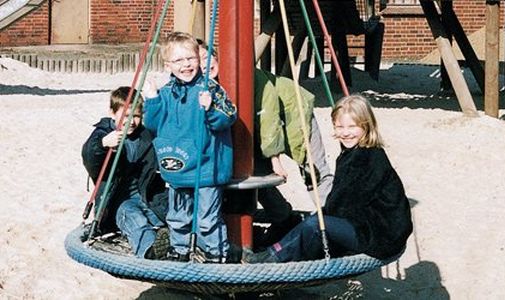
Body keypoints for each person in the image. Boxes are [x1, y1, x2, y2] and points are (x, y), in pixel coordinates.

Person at [242, 94, 413, 263]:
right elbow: (342, 197)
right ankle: (276, 251)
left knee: (315, 225)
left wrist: (323, 217)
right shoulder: (352, 154)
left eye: (352, 127)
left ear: (366, 126)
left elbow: (347, 203)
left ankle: (270, 258)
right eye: (339, 127)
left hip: (381, 234)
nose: (345, 133)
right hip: (367, 223)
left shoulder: (368, 158)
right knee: (313, 221)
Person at [198, 43, 333, 247]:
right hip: (257, 127)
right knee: (254, 172)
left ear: (216, 56)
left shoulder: (247, 76)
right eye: (197, 61)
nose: (203, 65)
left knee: (312, 168)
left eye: (206, 57)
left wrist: (275, 158)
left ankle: (329, 223)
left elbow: (268, 115)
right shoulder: (208, 86)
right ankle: (283, 218)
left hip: (292, 111)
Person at [142, 32, 237, 263]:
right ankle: (180, 250)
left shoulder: (210, 89)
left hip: (206, 169)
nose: (186, 65)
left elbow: (229, 117)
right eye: (178, 61)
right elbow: (152, 125)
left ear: (199, 58)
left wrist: (211, 108)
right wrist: (152, 99)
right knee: (177, 216)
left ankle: (216, 255)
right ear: (167, 65)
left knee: (207, 218)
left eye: (190, 59)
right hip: (177, 167)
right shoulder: (165, 94)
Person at [81, 86, 169, 260]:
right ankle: (149, 250)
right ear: (112, 113)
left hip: (147, 196)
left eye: (136, 116)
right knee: (134, 219)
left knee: (171, 210)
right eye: (126, 116)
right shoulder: (104, 134)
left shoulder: (145, 135)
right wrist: (103, 144)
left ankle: (174, 238)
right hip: (118, 202)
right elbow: (90, 157)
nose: (131, 121)